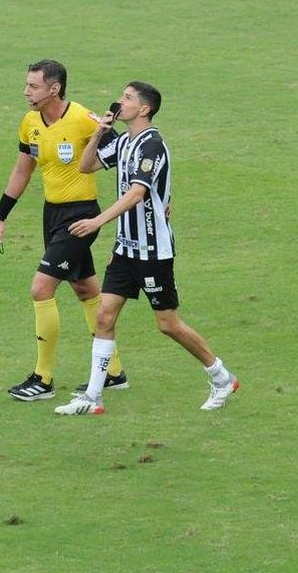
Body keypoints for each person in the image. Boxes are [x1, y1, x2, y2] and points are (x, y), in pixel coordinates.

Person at [54, 81, 239, 415]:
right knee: (104, 316)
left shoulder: (152, 146)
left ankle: (221, 376)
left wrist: (98, 222)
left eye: (127, 98)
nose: (119, 101)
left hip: (153, 251)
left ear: (144, 109)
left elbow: (137, 193)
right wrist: (99, 133)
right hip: (125, 251)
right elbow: (85, 166)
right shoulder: (124, 142)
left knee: (168, 324)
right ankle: (93, 398)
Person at [0, 60, 127, 401]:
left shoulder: (83, 118)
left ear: (55, 89)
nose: (26, 92)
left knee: (40, 288)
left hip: (80, 217)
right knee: (84, 288)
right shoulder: (29, 123)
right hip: (52, 215)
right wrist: (0, 215)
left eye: (33, 86)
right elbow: (23, 172)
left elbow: (124, 156)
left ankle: (43, 379)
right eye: (26, 85)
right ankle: (113, 373)